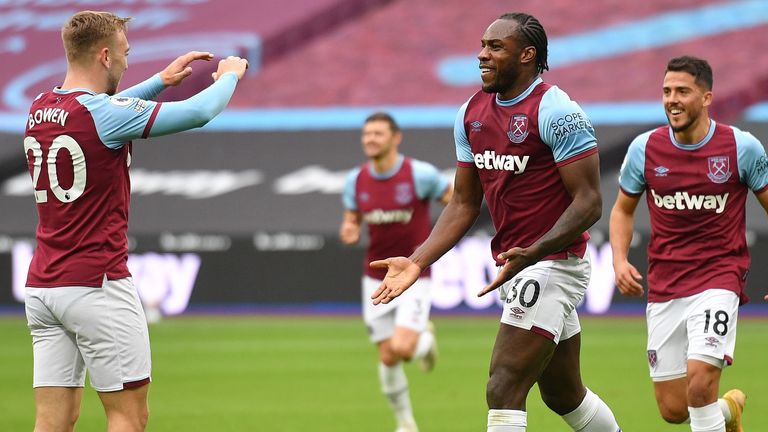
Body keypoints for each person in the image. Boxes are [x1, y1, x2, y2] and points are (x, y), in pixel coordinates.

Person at [370, 12, 621, 432]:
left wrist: (535, 252)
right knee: (563, 394)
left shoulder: (557, 110)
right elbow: (464, 204)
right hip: (519, 265)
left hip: (553, 263)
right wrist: (417, 262)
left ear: (527, 55)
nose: (482, 55)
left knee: (502, 386)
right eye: (483, 45)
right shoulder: (471, 112)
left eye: (495, 47)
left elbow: (590, 202)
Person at [22, 11, 248, 432]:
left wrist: (160, 80)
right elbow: (199, 113)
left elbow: (103, 111)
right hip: (96, 284)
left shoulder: (40, 107)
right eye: (125, 54)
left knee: (52, 421)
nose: (127, 62)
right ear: (105, 56)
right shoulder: (103, 115)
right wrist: (229, 76)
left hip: (44, 287)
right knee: (128, 416)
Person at [610, 55, 766, 432]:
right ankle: (728, 411)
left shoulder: (741, 148)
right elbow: (621, 211)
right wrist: (618, 260)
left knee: (699, 385)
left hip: (719, 278)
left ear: (707, 97)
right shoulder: (644, 150)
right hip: (665, 284)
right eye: (666, 91)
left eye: (683, 91)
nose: (672, 99)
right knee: (674, 409)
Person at [340, 112, 453, 432]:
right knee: (388, 356)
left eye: (377, 133)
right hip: (374, 276)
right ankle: (405, 423)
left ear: (395, 138)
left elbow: (456, 203)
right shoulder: (356, 180)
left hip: (414, 274)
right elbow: (352, 217)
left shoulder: (419, 174)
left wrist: (436, 243)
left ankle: (424, 340)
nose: (370, 139)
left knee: (403, 348)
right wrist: (350, 227)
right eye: (366, 135)